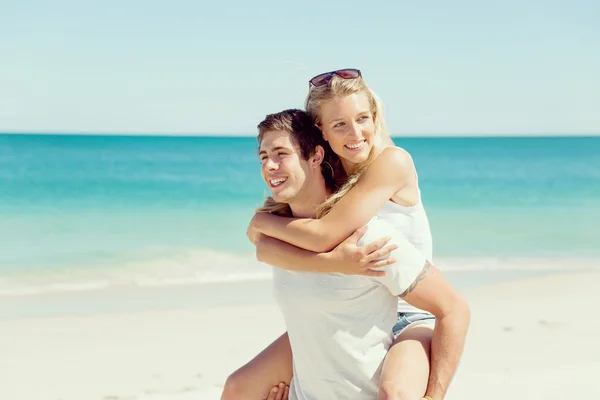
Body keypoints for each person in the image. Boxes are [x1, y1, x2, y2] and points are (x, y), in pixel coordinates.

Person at [221, 106, 470, 400]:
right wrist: (330, 262)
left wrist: (432, 396)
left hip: (402, 335)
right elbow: (264, 249)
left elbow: (454, 310)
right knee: (237, 389)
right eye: (264, 157)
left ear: (315, 155)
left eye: (281, 154)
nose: (269, 166)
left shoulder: (370, 240)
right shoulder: (279, 236)